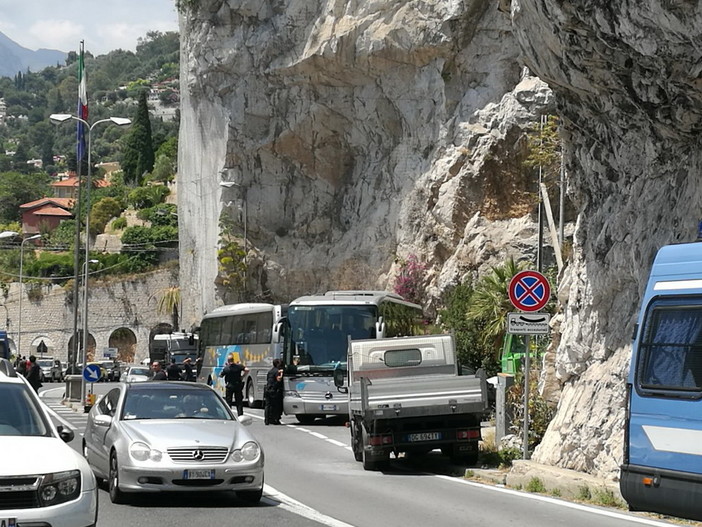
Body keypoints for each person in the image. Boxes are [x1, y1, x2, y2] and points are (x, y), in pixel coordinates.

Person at [264, 358, 284, 425]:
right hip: (274, 390)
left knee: (268, 405)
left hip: (267, 389)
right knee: (276, 405)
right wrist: (281, 373)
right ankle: (274, 419)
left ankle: (267, 420)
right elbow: (279, 379)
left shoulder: (270, 371)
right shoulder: (277, 371)